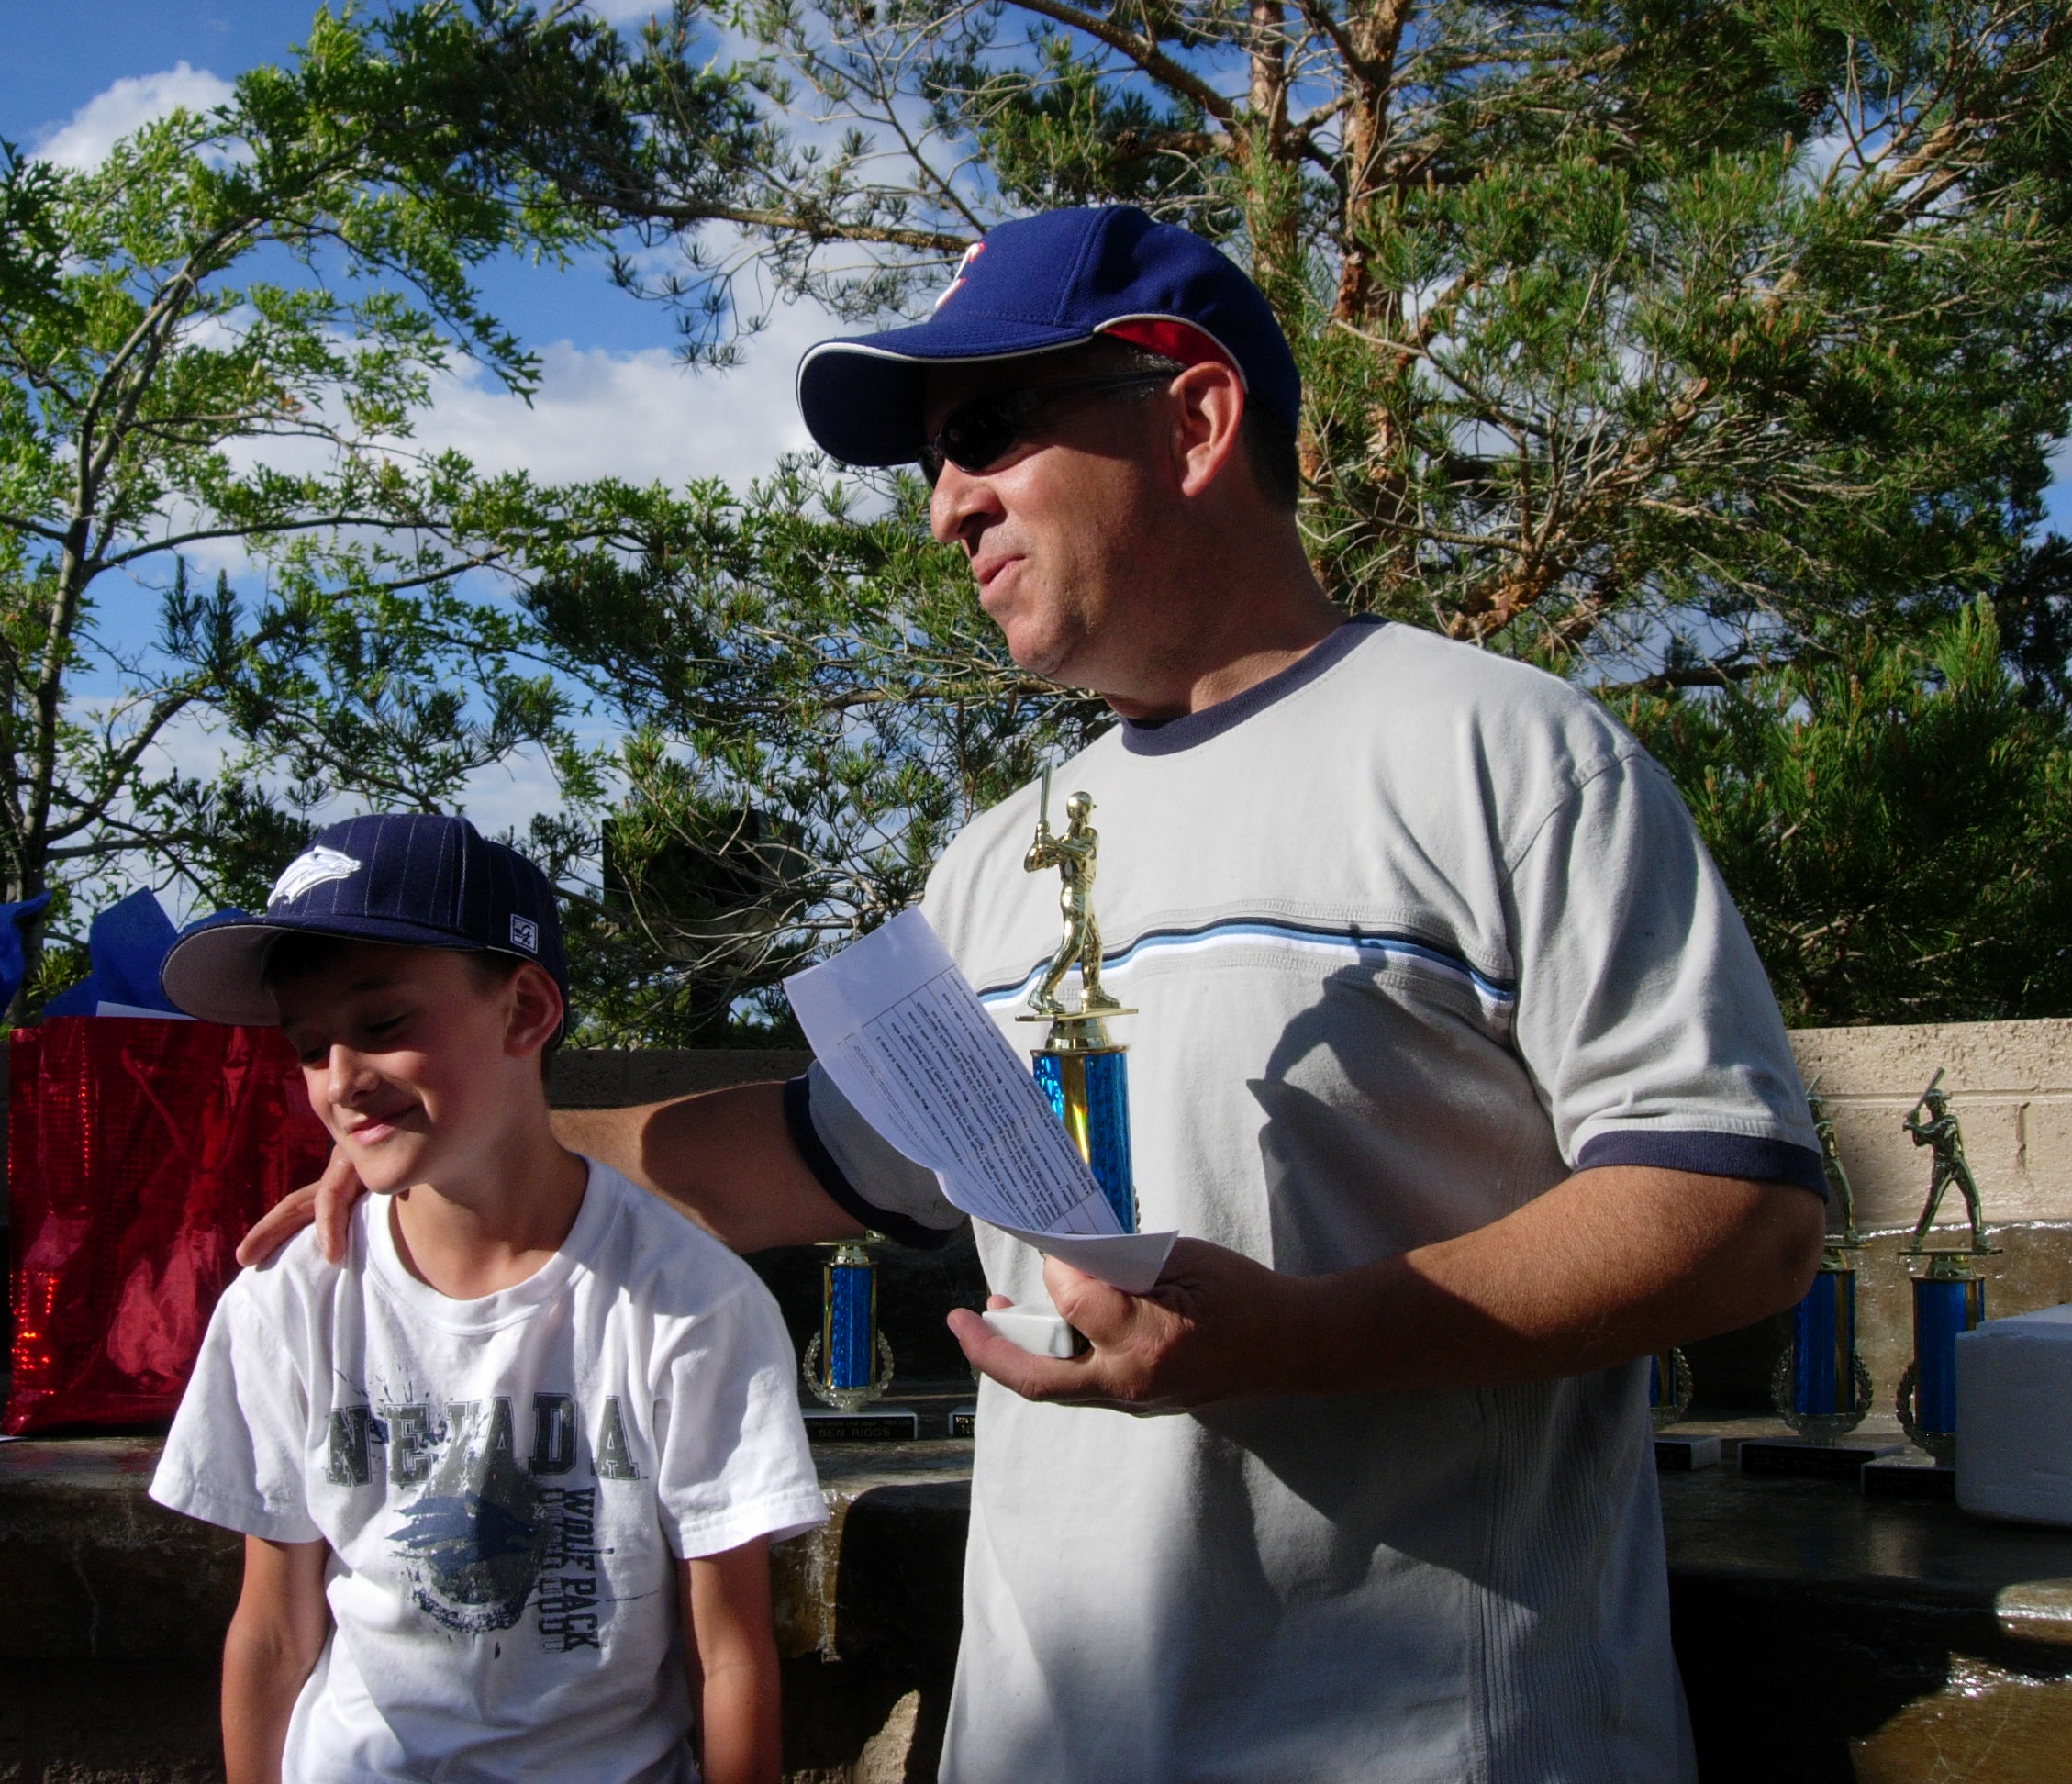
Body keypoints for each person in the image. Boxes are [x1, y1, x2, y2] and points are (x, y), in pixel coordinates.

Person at [241, 208, 1829, 1781]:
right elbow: (801, 1156)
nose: (946, 507)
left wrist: (1297, 1337)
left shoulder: (1500, 752)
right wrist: (466, 1147)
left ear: (1194, 417)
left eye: (986, 431)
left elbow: (1739, 1211)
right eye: (930, 462)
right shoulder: (997, 863)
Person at [152, 813, 825, 1784]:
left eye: (383, 1026)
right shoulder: (291, 1300)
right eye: (307, 1046)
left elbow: (727, 1652)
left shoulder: (689, 1304)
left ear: (524, 1012)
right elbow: (272, 1631)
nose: (341, 1082)